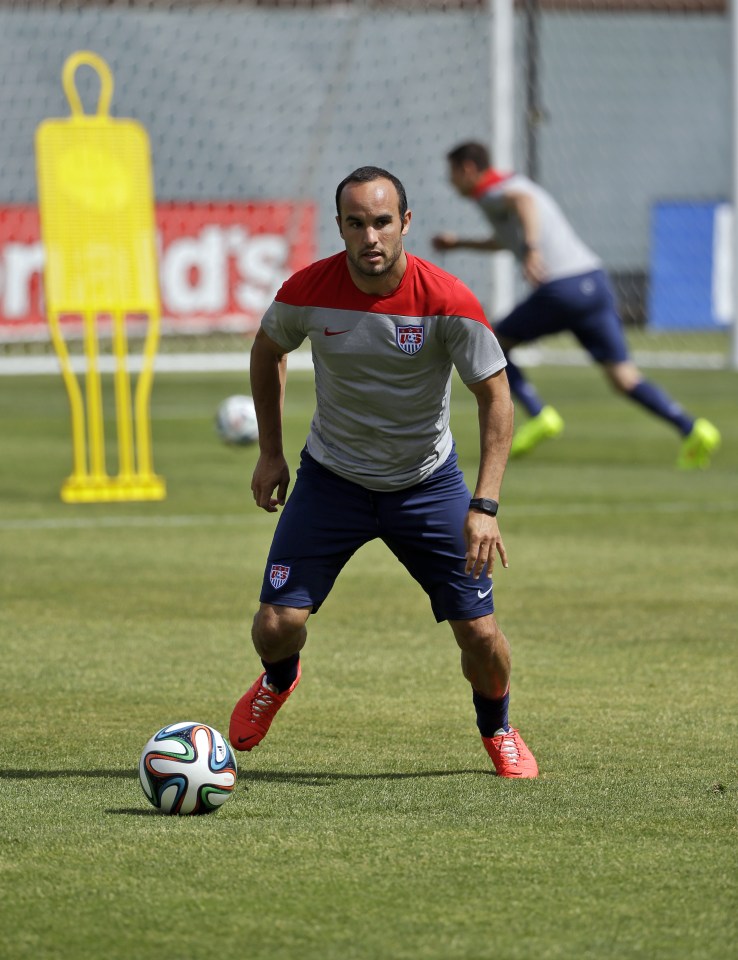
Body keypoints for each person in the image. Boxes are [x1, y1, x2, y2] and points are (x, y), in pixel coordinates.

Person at [228, 165, 538, 778]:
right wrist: (270, 451)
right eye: (356, 223)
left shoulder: (448, 301)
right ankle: (279, 680)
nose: (370, 236)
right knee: (274, 626)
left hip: (426, 485)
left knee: (479, 637)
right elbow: (268, 351)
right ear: (340, 226)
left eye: (382, 222)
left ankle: (498, 726)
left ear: (405, 224)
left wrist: (485, 505)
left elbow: (496, 396)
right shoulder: (307, 290)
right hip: (331, 480)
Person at [432, 141, 721, 468]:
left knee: (494, 343)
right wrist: (459, 243)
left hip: (563, 286)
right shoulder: (505, 185)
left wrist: (534, 249)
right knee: (624, 378)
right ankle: (693, 428)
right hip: (592, 281)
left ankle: (539, 415)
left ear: (468, 169)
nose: (450, 180)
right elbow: (507, 238)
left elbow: (524, 204)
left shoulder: (493, 191)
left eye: (452, 173)